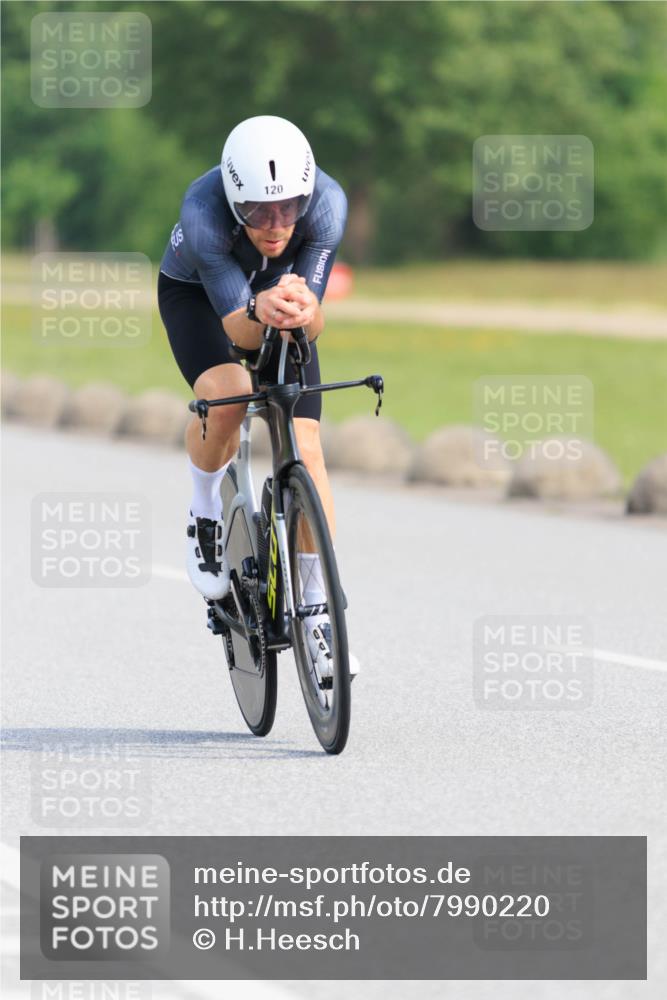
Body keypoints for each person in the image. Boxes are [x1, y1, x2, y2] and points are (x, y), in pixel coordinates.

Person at [158, 114, 358, 678]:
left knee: (307, 443)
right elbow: (240, 333)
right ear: (232, 200)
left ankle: (318, 611)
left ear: (305, 193)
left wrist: (304, 311)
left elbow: (311, 326)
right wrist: (262, 311)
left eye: (287, 209)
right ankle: (204, 508)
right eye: (256, 213)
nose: (275, 226)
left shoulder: (327, 204)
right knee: (233, 390)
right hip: (201, 297)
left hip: (280, 297)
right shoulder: (203, 214)